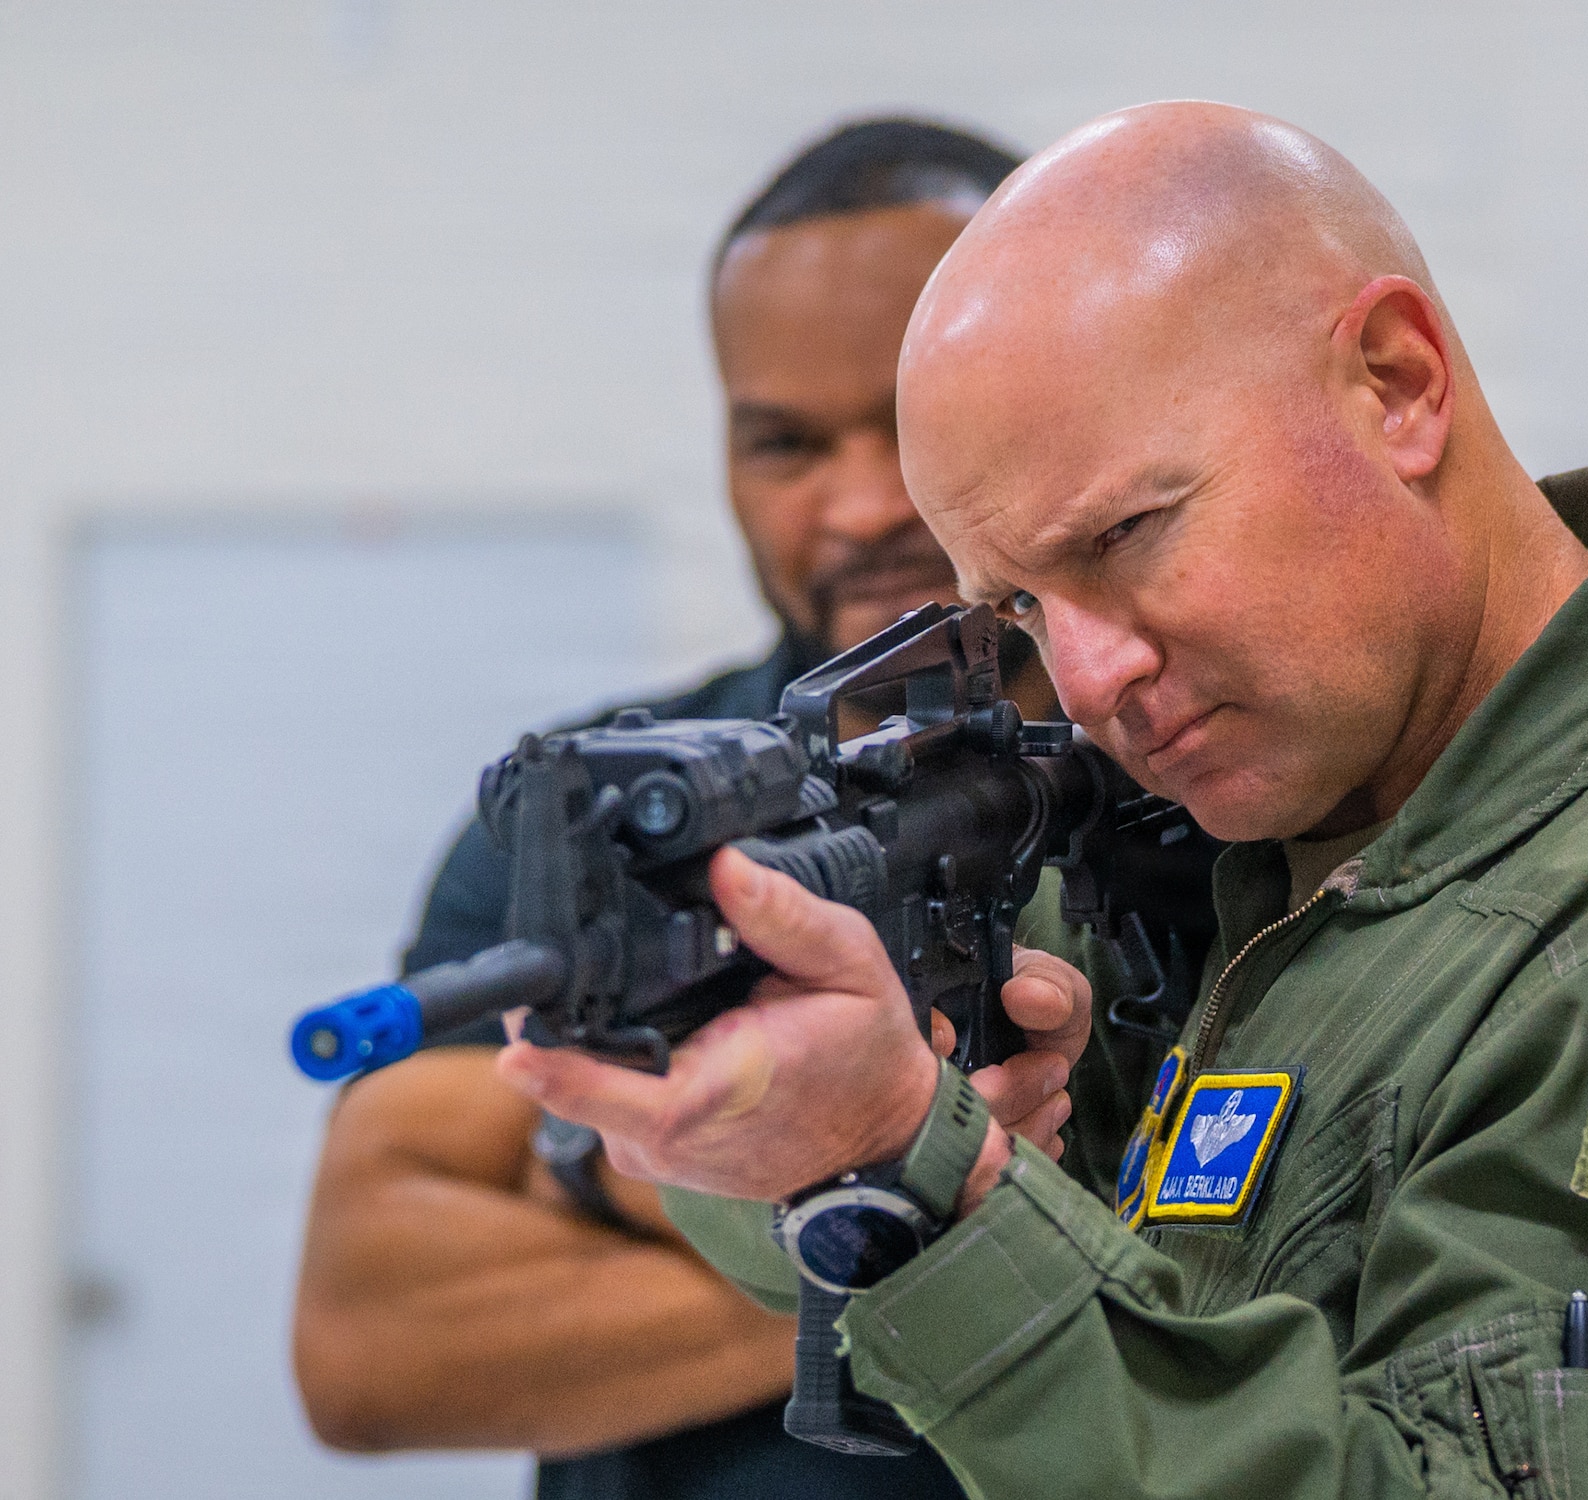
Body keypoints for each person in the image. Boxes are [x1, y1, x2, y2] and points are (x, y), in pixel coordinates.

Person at [497, 100, 1588, 1499]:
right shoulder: (1281, 834)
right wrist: (782, 1130)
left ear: (1398, 384)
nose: (1084, 677)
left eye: (1133, 533)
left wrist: (924, 1179)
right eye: (1020, 604)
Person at [293, 119, 1041, 1500]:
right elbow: (370, 1335)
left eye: (909, 417)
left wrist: (651, 1193)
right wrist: (986, 1232)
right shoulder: (601, 810)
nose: (861, 503)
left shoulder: (1220, 785)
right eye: (784, 444)